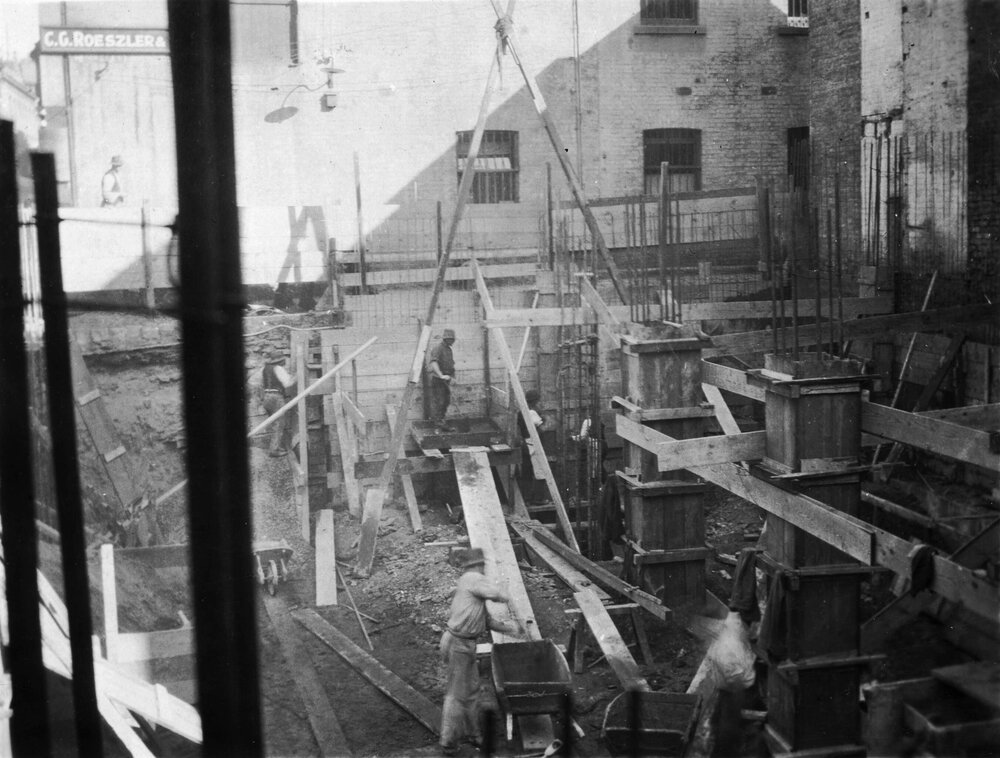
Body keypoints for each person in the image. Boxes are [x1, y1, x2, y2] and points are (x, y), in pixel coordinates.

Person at [439, 547, 520, 756]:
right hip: (458, 643)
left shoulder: (471, 586)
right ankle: (448, 741)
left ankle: (473, 734)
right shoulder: (472, 578)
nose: (484, 568)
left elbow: (486, 620)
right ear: (478, 565)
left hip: (464, 644)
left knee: (472, 690)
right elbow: (499, 595)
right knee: (457, 694)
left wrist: (511, 629)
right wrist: (505, 586)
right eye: (483, 565)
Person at [261, 349, 295, 456]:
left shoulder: (265, 369)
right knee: (279, 424)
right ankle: (274, 450)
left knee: (275, 424)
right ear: (280, 361)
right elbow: (288, 383)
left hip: (266, 397)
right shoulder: (279, 368)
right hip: (276, 397)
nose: (284, 362)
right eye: (283, 360)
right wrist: (297, 377)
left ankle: (276, 446)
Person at [516, 389, 545, 503]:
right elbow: (542, 429)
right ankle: (538, 499)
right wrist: (544, 420)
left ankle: (527, 499)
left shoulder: (521, 412)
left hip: (525, 444)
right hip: (533, 445)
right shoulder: (532, 412)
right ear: (535, 401)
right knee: (540, 472)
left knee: (526, 472)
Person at [428, 328, 456, 432]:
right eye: (451, 339)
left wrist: (452, 378)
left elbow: (451, 365)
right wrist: (441, 375)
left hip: (446, 380)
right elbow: (433, 362)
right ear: (446, 339)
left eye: (453, 339)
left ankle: (441, 423)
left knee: (446, 402)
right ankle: (437, 427)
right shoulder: (438, 348)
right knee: (439, 402)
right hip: (438, 381)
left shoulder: (449, 349)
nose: (453, 341)